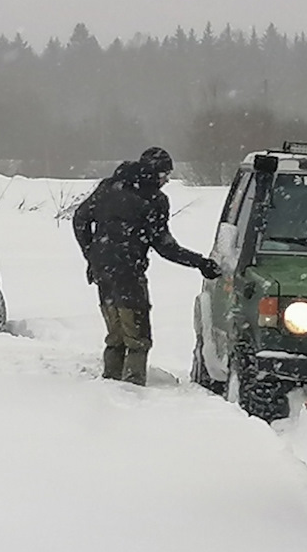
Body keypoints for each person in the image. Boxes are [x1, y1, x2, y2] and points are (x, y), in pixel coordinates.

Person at [71, 147, 220, 384]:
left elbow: (80, 218)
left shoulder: (109, 187)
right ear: (154, 173)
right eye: (165, 175)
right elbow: (164, 246)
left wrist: (92, 254)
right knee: (138, 336)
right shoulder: (154, 199)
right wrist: (199, 262)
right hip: (129, 272)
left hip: (103, 272)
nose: (166, 180)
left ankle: (110, 381)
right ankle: (132, 387)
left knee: (116, 333)